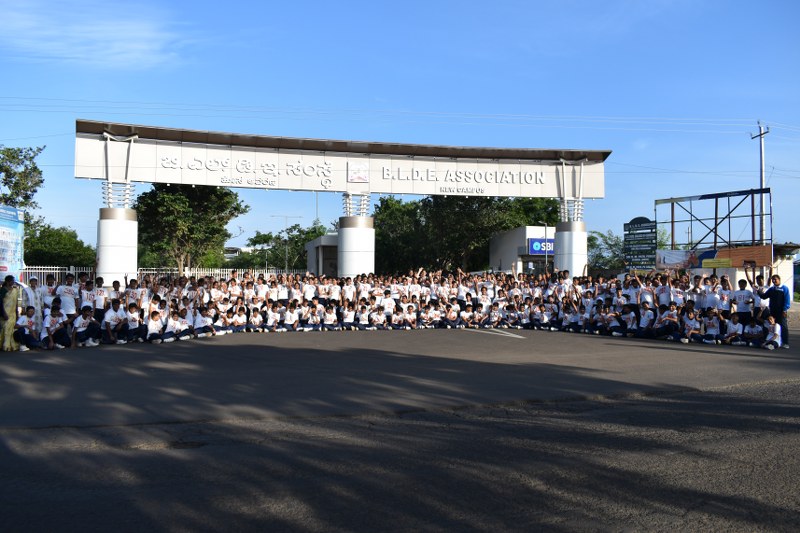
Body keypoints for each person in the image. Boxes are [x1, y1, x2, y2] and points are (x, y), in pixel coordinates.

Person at [756, 274, 791, 349]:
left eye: (775, 279)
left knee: (783, 326)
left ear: (779, 279)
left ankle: (785, 342)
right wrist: (758, 290)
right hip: (773, 311)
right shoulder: (772, 289)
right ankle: (770, 341)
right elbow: (764, 296)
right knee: (771, 326)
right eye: (773, 280)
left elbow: (787, 301)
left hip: (781, 311)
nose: (774, 281)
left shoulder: (784, 288)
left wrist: (785, 310)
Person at [1, 275, 22, 351]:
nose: (13, 282)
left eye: (13, 281)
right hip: (5, 313)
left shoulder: (15, 290)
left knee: (12, 329)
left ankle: (10, 345)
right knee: (6, 329)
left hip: (12, 313)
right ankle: (5, 345)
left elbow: (16, 302)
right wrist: (3, 313)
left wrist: (17, 313)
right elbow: (0, 303)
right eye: (11, 281)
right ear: (7, 282)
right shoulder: (3, 290)